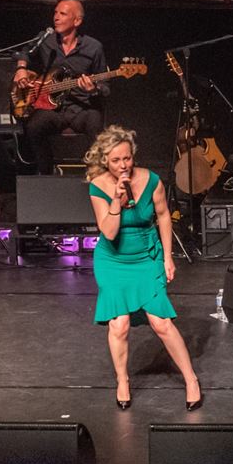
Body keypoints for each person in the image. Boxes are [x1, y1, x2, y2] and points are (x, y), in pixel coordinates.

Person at [84, 125, 201, 411]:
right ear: (105, 161)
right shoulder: (98, 186)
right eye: (116, 160)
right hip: (113, 260)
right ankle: (122, 380)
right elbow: (109, 232)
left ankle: (191, 379)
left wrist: (168, 257)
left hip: (147, 257)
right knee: (119, 324)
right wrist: (116, 198)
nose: (123, 165)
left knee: (161, 322)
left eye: (127, 158)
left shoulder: (151, 180)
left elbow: (163, 216)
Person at [15, 0, 109, 175]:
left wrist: (93, 89)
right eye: (55, 13)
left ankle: (97, 176)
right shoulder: (46, 39)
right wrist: (21, 69)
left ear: (77, 21)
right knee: (33, 127)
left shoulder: (94, 47)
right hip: (53, 108)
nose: (56, 17)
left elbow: (105, 86)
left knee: (96, 126)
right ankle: (46, 173)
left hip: (82, 108)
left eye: (63, 14)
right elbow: (24, 52)